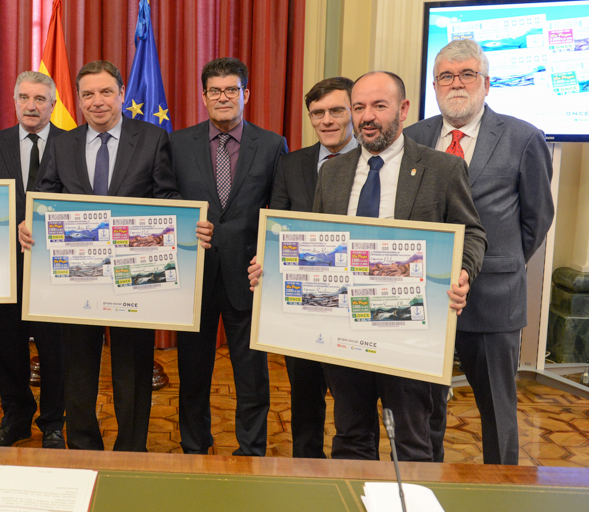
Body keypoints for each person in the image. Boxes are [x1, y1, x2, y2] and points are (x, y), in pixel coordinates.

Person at [250, 71, 486, 462]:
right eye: (359, 107)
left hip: (410, 329)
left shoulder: (441, 169)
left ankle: (413, 503)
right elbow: (316, 241)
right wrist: (273, 268)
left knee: (413, 441)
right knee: (351, 436)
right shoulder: (333, 172)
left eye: (379, 106)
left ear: (403, 109)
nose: (367, 116)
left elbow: (473, 233)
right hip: (344, 330)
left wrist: (462, 270)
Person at [19, 60, 213, 452]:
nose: (97, 101)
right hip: (78, 278)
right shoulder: (63, 143)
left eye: (106, 92)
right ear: (78, 100)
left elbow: (167, 197)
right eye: (88, 94)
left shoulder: (153, 139)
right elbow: (45, 196)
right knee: (78, 370)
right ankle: (84, 448)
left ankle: (131, 449)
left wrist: (190, 223)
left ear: (122, 94)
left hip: (134, 279)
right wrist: (30, 222)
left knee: (133, 370)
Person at [405, 39, 554, 465]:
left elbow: (537, 218)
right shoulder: (414, 137)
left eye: (467, 74)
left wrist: (496, 265)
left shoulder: (523, 137)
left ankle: (502, 488)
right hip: (426, 297)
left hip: (493, 298)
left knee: (497, 410)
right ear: (435, 85)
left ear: (486, 84)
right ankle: (426, 479)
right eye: (446, 76)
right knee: (424, 408)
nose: (456, 84)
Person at [169, 58, 287, 456]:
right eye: (215, 91)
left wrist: (268, 257)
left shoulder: (271, 145)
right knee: (192, 374)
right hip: (194, 276)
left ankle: (251, 449)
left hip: (248, 276)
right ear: (203, 97)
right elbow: (165, 198)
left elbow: (279, 208)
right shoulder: (178, 144)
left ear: (245, 94)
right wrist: (185, 224)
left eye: (231, 90)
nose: (223, 97)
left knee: (252, 376)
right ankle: (194, 445)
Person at [268, 76, 357, 458]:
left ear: (353, 112)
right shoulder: (291, 164)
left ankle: (352, 469)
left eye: (336, 110)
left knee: (353, 403)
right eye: (317, 113)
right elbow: (276, 227)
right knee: (304, 397)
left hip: (356, 305)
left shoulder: (373, 164)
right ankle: (306, 469)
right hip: (302, 304)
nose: (327, 120)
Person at [0, 71, 66, 449]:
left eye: (40, 99)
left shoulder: (70, 143)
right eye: (24, 98)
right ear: (14, 102)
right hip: (6, 268)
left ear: (53, 104)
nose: (31, 106)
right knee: (8, 348)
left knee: (55, 350)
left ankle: (53, 423)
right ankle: (16, 418)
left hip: (54, 269)